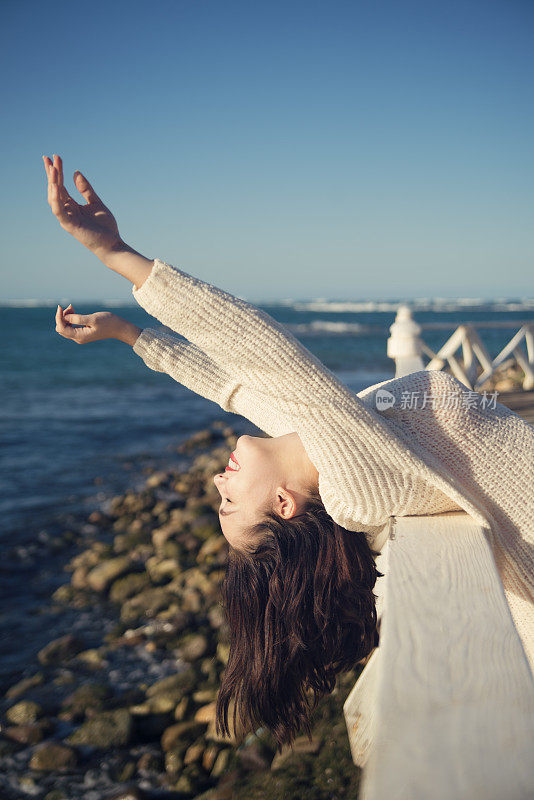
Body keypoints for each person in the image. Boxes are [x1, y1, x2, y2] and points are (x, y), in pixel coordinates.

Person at [43, 154, 534, 751]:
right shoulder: (353, 484)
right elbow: (270, 355)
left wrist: (129, 334)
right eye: (228, 505)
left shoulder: (322, 449)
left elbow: (236, 385)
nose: (215, 488)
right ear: (283, 504)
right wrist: (116, 254)